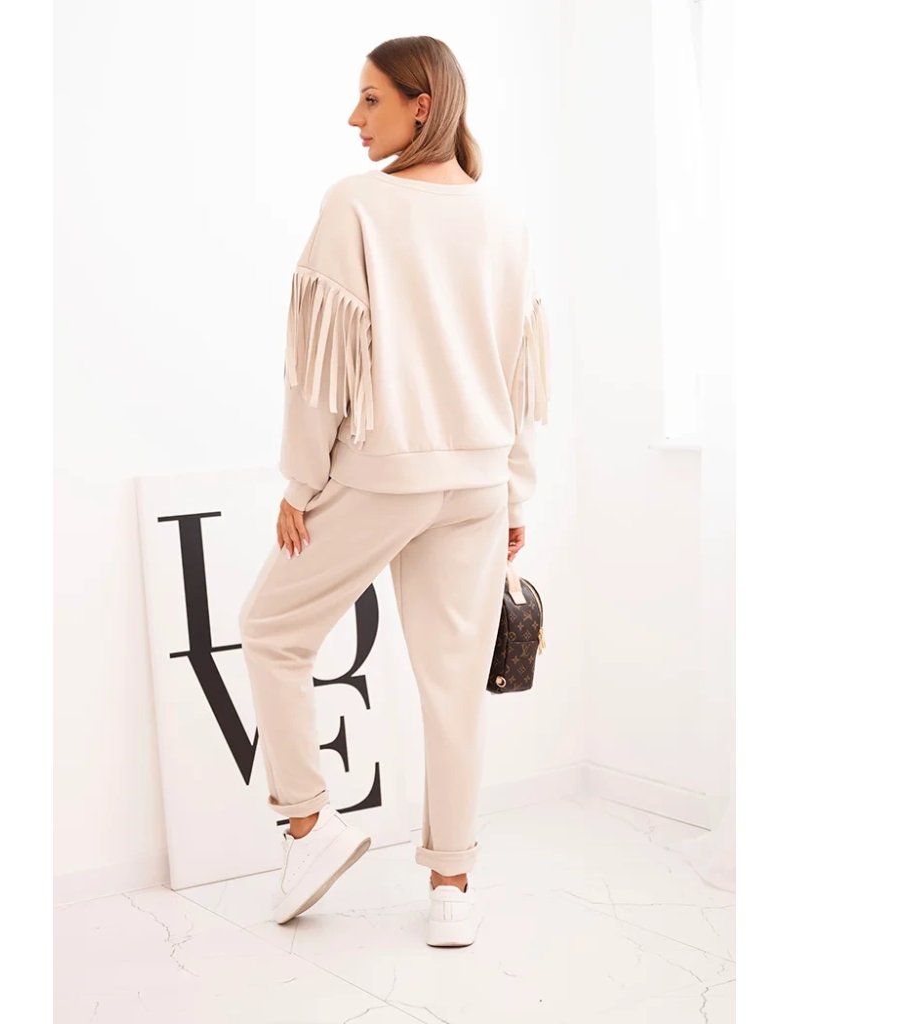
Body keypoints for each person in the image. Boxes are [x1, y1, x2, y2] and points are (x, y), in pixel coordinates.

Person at [238, 35, 550, 947]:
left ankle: (309, 828)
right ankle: (452, 887)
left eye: (370, 99)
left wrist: (303, 481)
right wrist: (515, 497)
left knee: (270, 630)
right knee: (453, 689)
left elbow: (321, 364)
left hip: (385, 473)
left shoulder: (358, 204)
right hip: (477, 481)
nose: (353, 117)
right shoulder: (504, 218)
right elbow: (520, 375)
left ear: (422, 105)